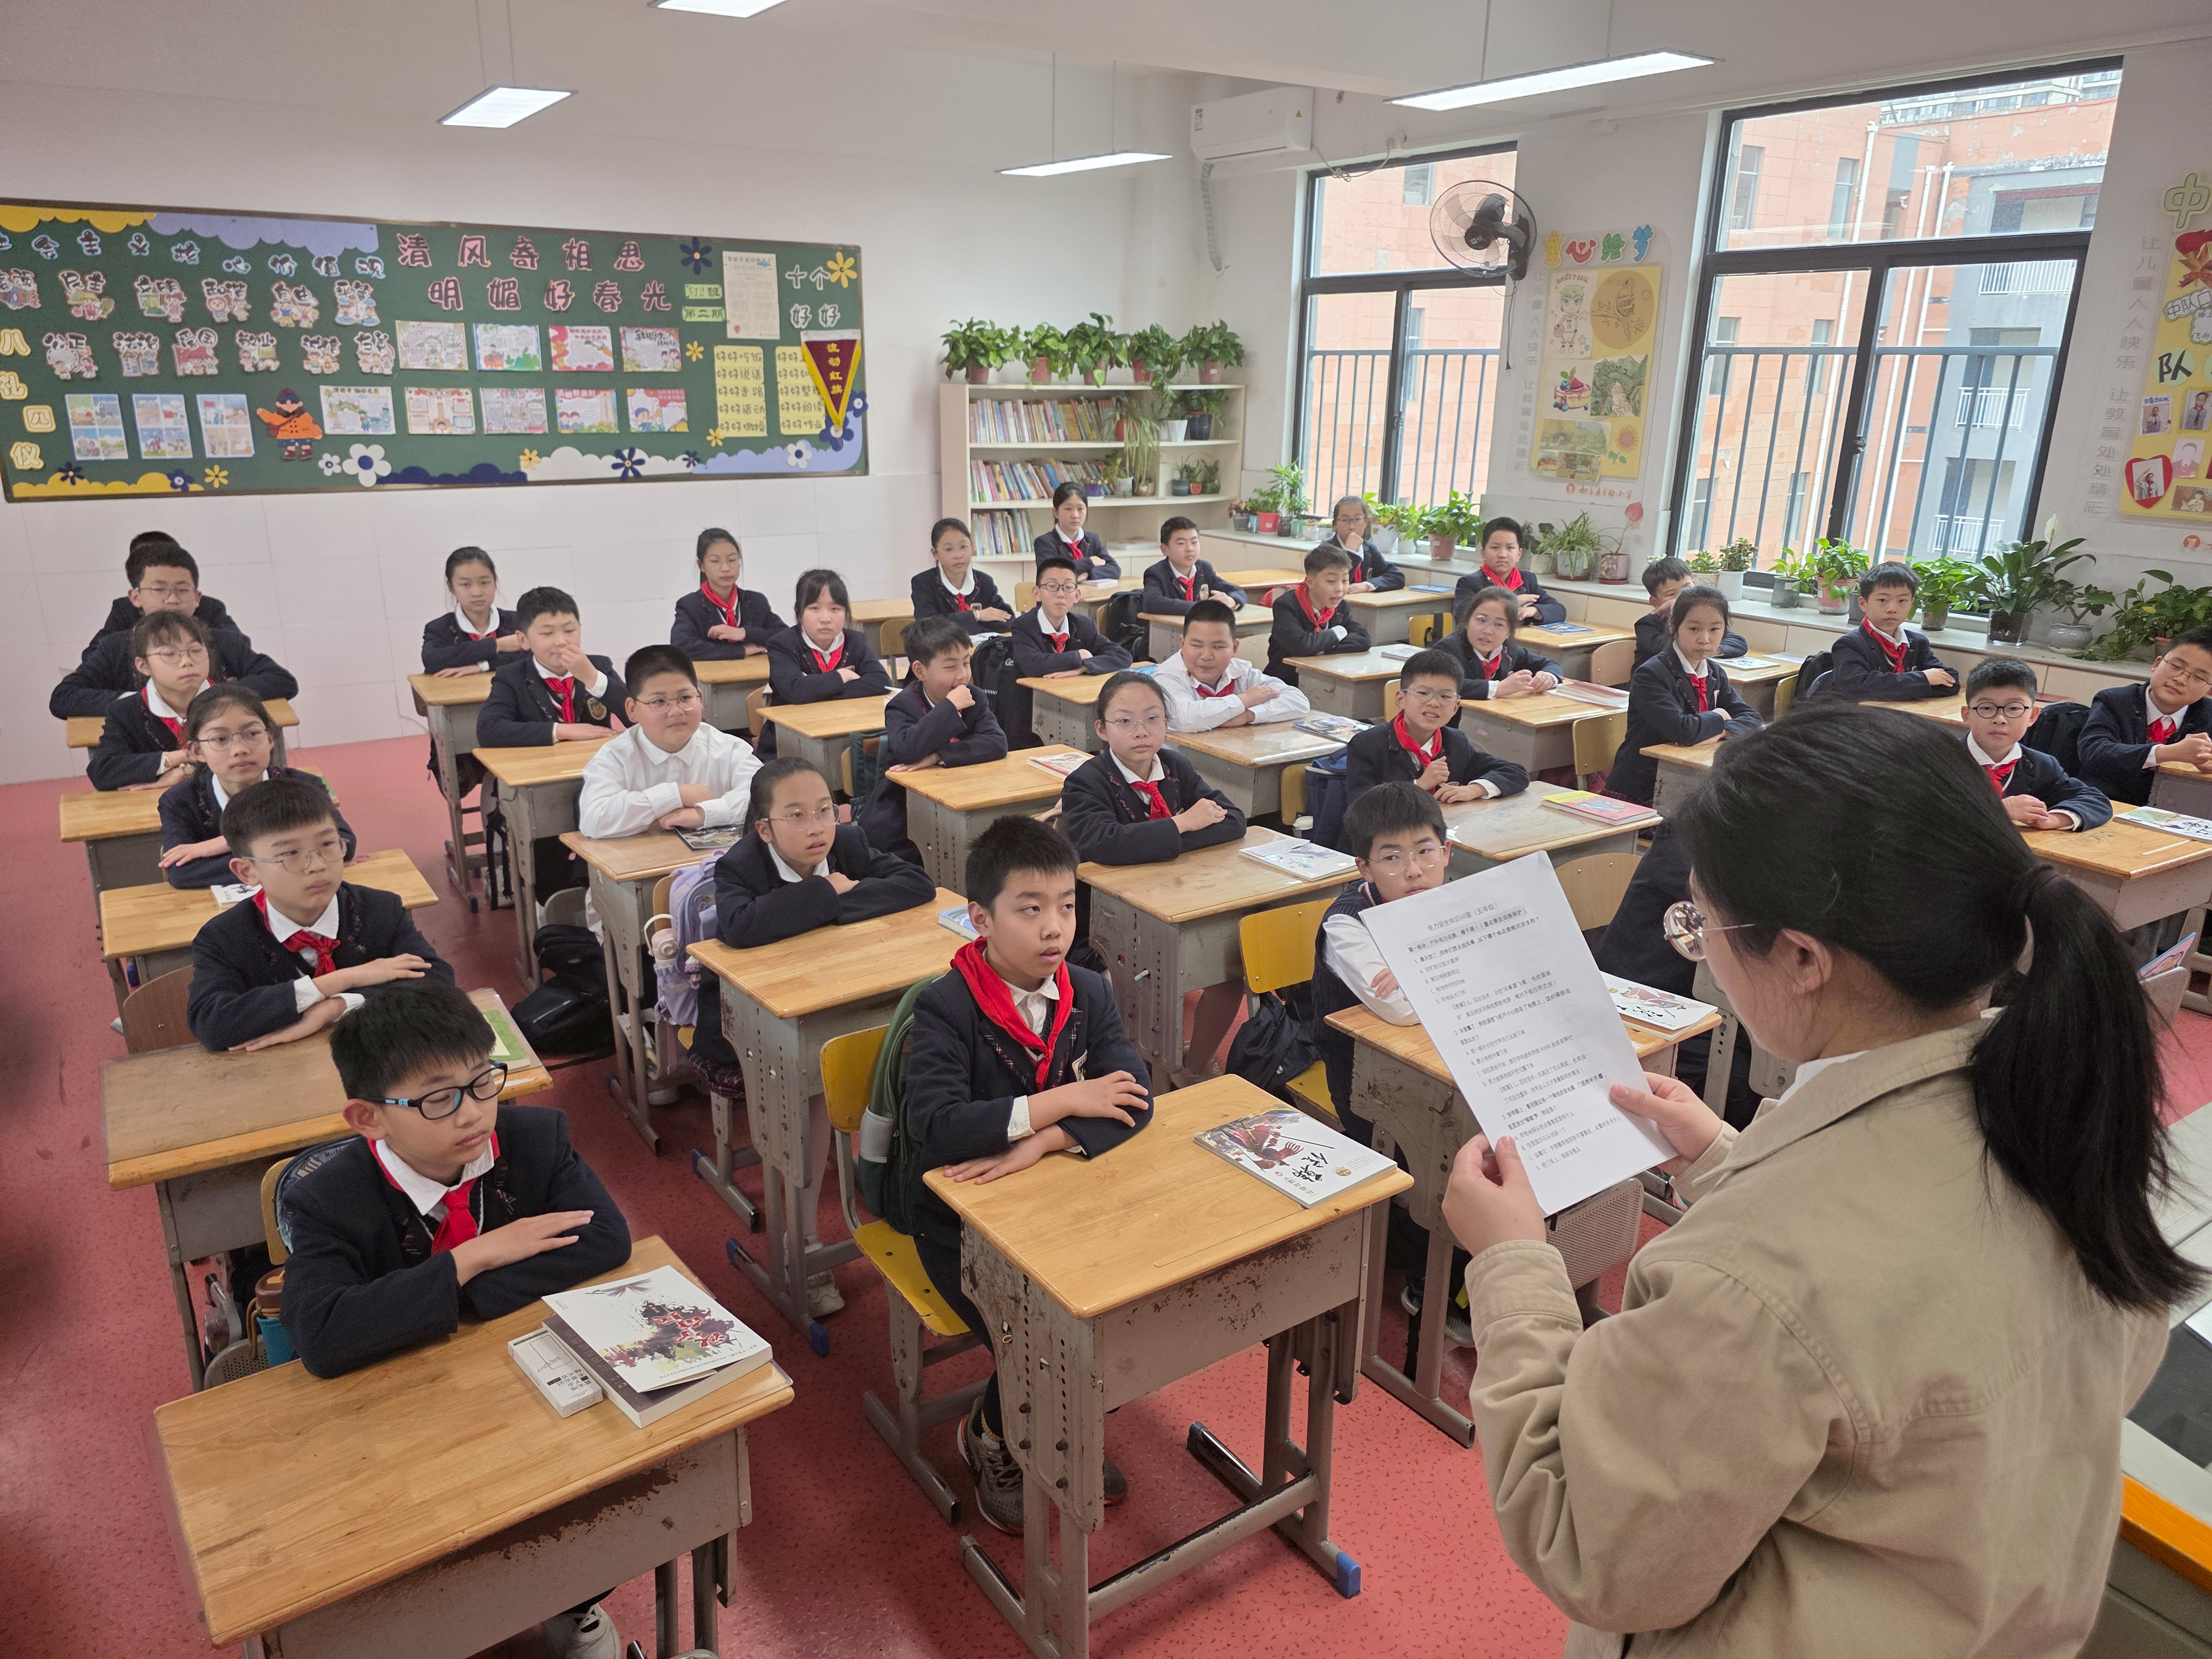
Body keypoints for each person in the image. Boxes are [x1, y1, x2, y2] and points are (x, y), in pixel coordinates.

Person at [1440, 701, 2189, 1657]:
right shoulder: (2065, 1097)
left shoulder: (1749, 1273)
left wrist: (1512, 1261)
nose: (1702, 950)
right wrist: (1726, 1159)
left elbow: (1596, 1549)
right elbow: (1901, 1295)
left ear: (1800, 957)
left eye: (1700, 925)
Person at [279, 982, 630, 1659]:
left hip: (524, 1386)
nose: (472, 1113)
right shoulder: (328, 1199)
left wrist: (454, 1297)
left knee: (595, 1496)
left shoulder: (534, 1139)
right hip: (397, 1418)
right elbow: (322, 1335)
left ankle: (575, 1602)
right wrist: (473, 1258)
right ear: (368, 1118)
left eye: (481, 1082)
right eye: (438, 1100)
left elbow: (604, 1239)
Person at [901, 816, 1152, 1535]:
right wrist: (1065, 1101)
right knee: (1040, 1334)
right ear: (981, 918)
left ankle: (1055, 1414)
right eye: (1030, 908)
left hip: (1055, 1200)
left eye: (1067, 906)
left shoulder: (1087, 990)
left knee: (1119, 1311)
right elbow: (938, 1126)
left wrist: (1044, 1142)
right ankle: (992, 1433)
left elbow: (1134, 1095)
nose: (1054, 927)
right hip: (959, 1219)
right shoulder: (946, 1005)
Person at [712, 758, 933, 1314]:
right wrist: (829, 894)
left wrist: (828, 901)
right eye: (796, 816)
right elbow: (740, 928)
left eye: (823, 811)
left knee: (921, 1058)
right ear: (764, 829)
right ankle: (805, 1243)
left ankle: (908, 1195)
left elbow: (915, 885)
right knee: (810, 1097)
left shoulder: (849, 842)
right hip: (781, 1016)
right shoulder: (740, 865)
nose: (816, 827)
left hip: (855, 990)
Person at [1060, 671, 1248, 1084]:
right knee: (1117, 987)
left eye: (1152, 718)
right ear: (1102, 729)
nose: (1141, 731)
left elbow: (1233, 821)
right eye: (1125, 721)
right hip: (1106, 923)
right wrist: (1183, 825)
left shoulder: (1176, 767)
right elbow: (1103, 844)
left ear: (1166, 722)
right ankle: (1124, 1071)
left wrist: (1162, 840)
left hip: (1180, 902)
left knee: (1230, 970)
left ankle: (1193, 1067)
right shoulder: (1086, 781)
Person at [186, 776, 453, 1052]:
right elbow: (211, 1022)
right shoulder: (224, 937)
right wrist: (341, 981)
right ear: (247, 871)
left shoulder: (380, 909)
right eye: (290, 853)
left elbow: (438, 979)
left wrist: (336, 1006)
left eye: (327, 844)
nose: (317, 865)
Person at [158, 683, 356, 888]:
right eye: (220, 739)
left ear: (270, 738)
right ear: (197, 751)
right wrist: (291, 856)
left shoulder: (305, 786)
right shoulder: (180, 800)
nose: (240, 749)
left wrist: (219, 845)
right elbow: (182, 874)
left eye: (252, 734)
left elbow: (344, 843)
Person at [860, 617, 1009, 864]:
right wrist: (950, 707)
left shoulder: (975, 697)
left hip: (959, 799)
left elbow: (996, 743)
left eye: (966, 663)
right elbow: (908, 750)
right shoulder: (902, 706)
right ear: (920, 671)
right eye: (950, 667)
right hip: (903, 814)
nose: (962, 676)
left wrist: (939, 755)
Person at [576, 645, 760, 840]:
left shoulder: (729, 749)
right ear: (632, 710)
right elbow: (593, 819)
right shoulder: (615, 757)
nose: (676, 711)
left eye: (685, 698)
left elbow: (766, 798)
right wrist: (675, 795)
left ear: (700, 699)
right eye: (659, 702)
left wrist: (705, 814)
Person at [55, 575, 296, 723]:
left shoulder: (219, 637)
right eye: (159, 590)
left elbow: (282, 680)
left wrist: (213, 694)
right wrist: (144, 701)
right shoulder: (118, 643)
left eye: (195, 651)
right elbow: (64, 697)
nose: (171, 600)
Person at [1606, 584, 1762, 805]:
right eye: (1694, 629)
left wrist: (1719, 730)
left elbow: (1753, 719)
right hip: (1642, 790)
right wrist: (1720, 716)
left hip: (1691, 784)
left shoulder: (1714, 672)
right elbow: (1684, 731)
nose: (1705, 639)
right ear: (1673, 627)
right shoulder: (1651, 675)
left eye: (1715, 630)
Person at [1345, 649, 1528, 805]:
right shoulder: (1368, 745)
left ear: (1455, 707)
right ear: (1401, 699)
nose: (1434, 703)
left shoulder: (1455, 742)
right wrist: (1418, 786)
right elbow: (1360, 807)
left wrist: (1473, 790)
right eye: (1423, 693)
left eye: (1445, 696)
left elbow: (1515, 773)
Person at [1959, 658, 2109, 831]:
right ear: (1967, 715)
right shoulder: (1940, 758)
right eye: (1986, 708)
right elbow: (1933, 813)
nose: (2000, 719)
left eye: (2014, 709)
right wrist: (2000, 810)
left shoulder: (2039, 765)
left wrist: (2053, 819)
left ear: (2032, 716)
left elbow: (2095, 801)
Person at [758, 568, 892, 759]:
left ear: (846, 612)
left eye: (835, 609)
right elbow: (795, 691)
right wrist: (842, 676)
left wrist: (814, 690)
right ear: (799, 612)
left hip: (844, 733)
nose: (826, 619)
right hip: (787, 745)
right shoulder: (783, 645)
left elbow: (881, 682)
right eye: (814, 608)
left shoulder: (855, 641)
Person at [2077, 625, 2212, 807]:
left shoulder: (2208, 715)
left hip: (2175, 812)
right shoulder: (2114, 701)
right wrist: (2170, 753)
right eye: (2176, 666)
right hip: (2102, 804)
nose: (2181, 679)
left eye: (2199, 678)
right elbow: (2094, 752)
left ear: (2210, 691)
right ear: (2157, 664)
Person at [1002, 554, 1131, 744]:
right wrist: (1078, 656)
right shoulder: (1023, 626)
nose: (1061, 594)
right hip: (1029, 717)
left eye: (1068, 587)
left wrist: (1084, 667)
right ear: (1037, 593)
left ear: (1077, 595)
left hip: (1073, 710)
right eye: (1052, 586)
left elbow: (1122, 656)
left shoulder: (1083, 625)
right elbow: (1033, 664)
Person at [86, 611, 220, 791]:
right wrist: (179, 758)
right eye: (170, 654)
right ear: (144, 666)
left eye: (196, 650)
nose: (187, 661)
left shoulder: (232, 702)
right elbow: (103, 770)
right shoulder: (126, 711)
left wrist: (186, 773)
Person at [1154, 598, 1308, 731]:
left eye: (1218, 647)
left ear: (1235, 648)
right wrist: (1245, 700)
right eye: (1197, 646)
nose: (1207, 656)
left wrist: (1249, 715)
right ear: (1182, 643)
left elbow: (1298, 701)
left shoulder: (1242, 672)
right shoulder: (1166, 678)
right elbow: (1188, 719)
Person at [1819, 562, 1957, 702]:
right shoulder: (1849, 644)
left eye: (1902, 601)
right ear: (1863, 604)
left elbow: (1951, 681)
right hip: (1855, 714)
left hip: (1899, 713)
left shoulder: (1917, 643)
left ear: (1911, 603)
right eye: (1883, 600)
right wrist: (1923, 679)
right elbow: (1858, 687)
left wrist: (1896, 687)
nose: (1892, 609)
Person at [84, 532, 237, 646]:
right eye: (159, 590)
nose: (172, 600)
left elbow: (238, 648)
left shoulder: (210, 608)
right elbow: (93, 654)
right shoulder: (124, 610)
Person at [1264, 544, 1371, 686]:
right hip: (1283, 684)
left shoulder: (1341, 607)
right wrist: (1338, 633)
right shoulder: (1286, 606)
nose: (1340, 589)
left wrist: (1322, 648)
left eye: (1345, 581)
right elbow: (1302, 646)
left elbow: (1364, 639)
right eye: (1331, 581)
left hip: (1324, 679)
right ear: (1310, 582)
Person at [670, 528, 782, 664]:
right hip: (712, 676)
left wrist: (744, 633)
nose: (726, 568)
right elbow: (681, 646)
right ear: (701, 565)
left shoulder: (756, 601)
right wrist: (740, 651)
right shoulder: (690, 606)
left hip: (758, 674)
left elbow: (785, 636)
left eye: (732, 560)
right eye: (715, 561)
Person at [1442, 587, 1564, 701]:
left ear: (1509, 632)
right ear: (1467, 621)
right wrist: (1498, 688)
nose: (1488, 631)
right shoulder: (1447, 649)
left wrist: (1548, 677)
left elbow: (1550, 664)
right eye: (1481, 620)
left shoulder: (1508, 648)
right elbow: (1444, 686)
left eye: (1499, 624)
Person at [420, 545, 523, 676]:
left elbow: (534, 657)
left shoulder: (518, 621)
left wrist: (483, 667)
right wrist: (497, 645)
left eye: (484, 583)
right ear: (451, 587)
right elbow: (432, 661)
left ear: (495, 583)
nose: (477, 592)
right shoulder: (439, 628)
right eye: (466, 584)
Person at [1633, 557, 1745, 667]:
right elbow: (1670, 649)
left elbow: (1739, 643)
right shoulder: (1646, 625)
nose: (1681, 597)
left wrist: (1710, 651)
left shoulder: (1701, 619)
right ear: (1655, 602)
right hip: (1657, 678)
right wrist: (1675, 611)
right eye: (1672, 594)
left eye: (1687, 590)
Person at [1451, 517, 1565, 624]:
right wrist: (1510, 604)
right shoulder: (1469, 583)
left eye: (1510, 548)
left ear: (1519, 554)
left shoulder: (1527, 580)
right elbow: (1464, 616)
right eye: (1495, 548)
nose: (1502, 555)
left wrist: (1535, 611)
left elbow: (1559, 610)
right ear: (1483, 553)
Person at [911, 517, 1013, 636]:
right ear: (935, 553)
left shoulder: (984, 582)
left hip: (981, 647)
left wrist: (957, 623)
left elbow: (1007, 620)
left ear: (972, 547)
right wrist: (976, 616)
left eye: (964, 547)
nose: (958, 555)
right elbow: (928, 628)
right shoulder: (923, 583)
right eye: (949, 549)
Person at [1141, 516, 1246, 618]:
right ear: (1165, 550)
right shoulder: (1156, 573)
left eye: (1194, 542)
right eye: (1181, 543)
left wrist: (1231, 601)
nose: (1190, 549)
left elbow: (1238, 591)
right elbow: (1152, 603)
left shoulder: (1204, 569)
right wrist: (1203, 607)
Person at [1032, 481, 1120, 581]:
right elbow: (1053, 573)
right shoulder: (1045, 542)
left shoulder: (1092, 539)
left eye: (1080, 509)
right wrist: (1090, 562)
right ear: (1056, 512)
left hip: (1088, 592)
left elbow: (1115, 569)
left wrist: (1088, 574)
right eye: (1068, 509)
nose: (1075, 515)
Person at [1316, 494, 1404, 592]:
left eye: (1358, 519)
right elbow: (1336, 583)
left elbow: (1397, 577)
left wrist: (1367, 585)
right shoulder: (1325, 551)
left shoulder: (1369, 549)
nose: (1352, 526)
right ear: (1335, 524)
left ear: (1366, 522)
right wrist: (1350, 552)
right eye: (1345, 520)